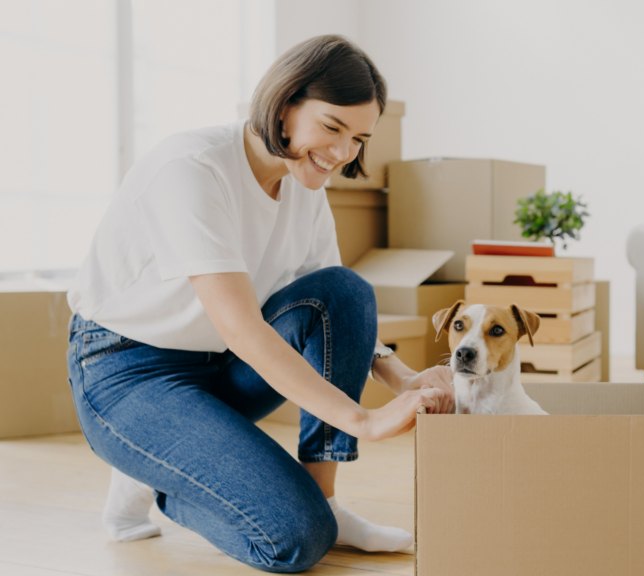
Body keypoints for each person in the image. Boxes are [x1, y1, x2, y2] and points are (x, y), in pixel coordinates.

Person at [64, 35, 452, 573]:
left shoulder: (305, 187)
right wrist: (364, 420)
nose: (342, 154)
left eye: (359, 138)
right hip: (126, 373)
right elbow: (245, 329)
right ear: (284, 104)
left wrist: (403, 379)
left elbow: (336, 311)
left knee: (343, 289)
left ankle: (327, 500)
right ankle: (163, 479)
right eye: (332, 127)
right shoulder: (192, 168)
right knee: (294, 539)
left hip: (218, 366)